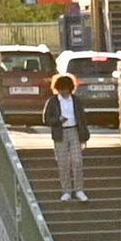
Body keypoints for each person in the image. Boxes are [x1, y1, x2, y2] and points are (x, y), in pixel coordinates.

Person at [45, 61, 90, 200]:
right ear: (57, 89)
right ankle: (66, 191)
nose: (64, 91)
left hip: (74, 132)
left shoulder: (76, 101)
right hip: (60, 134)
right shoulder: (52, 101)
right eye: (61, 89)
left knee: (77, 161)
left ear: (70, 88)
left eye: (66, 89)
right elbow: (46, 119)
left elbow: (82, 118)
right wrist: (58, 120)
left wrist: (84, 136)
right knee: (63, 163)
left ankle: (79, 190)